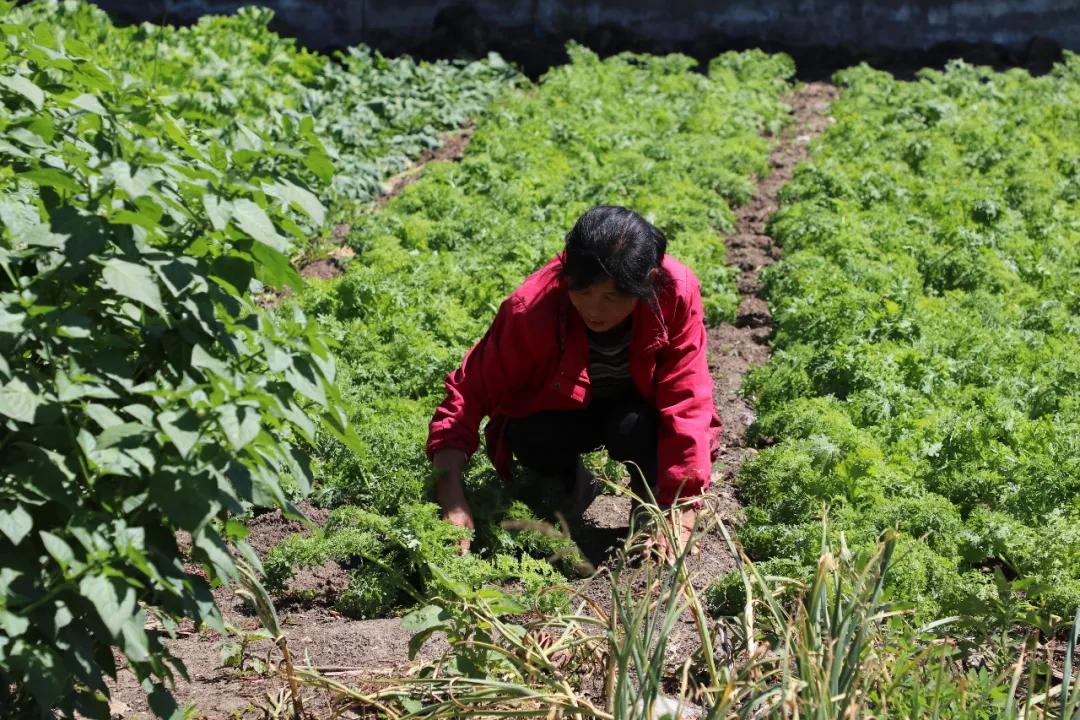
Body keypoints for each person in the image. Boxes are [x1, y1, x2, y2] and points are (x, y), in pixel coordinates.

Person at [426, 205, 722, 561]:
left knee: (639, 428)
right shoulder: (531, 308)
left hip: (636, 408)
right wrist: (452, 496)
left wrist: (682, 505)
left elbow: (686, 397)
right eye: (581, 291)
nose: (594, 309)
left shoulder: (674, 293)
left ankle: (652, 499)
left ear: (648, 284)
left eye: (611, 297)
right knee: (526, 433)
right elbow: (468, 392)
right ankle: (569, 486)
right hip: (562, 408)